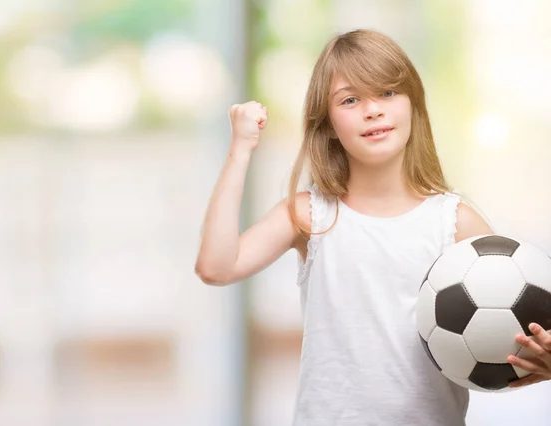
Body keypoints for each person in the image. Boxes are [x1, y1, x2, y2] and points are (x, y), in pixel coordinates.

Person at [194, 29, 551, 425]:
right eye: (350, 100)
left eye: (388, 93)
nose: (373, 110)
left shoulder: (455, 223)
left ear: (413, 104)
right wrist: (240, 149)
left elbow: (517, 330)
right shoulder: (312, 215)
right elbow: (216, 266)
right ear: (327, 123)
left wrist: (542, 361)